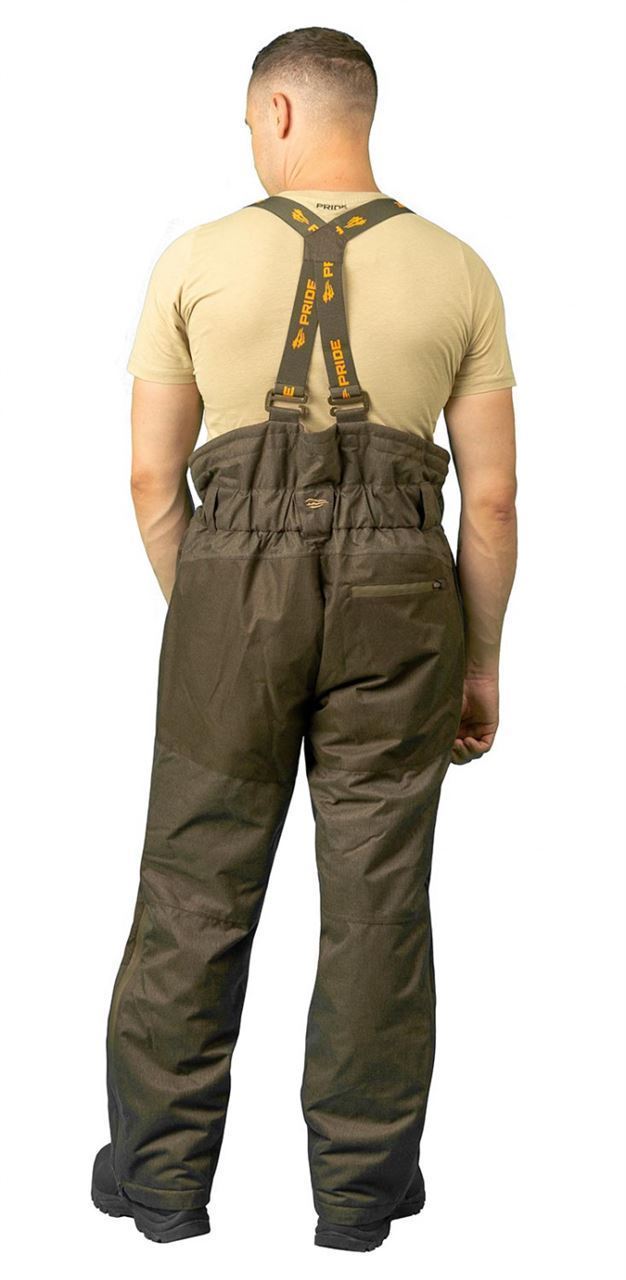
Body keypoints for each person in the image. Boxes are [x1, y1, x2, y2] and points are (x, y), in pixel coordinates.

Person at [91, 25, 518, 1251]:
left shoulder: (192, 259)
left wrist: (214, 611)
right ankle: (359, 1192)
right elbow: (490, 499)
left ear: (276, 113)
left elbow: (149, 478)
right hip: (403, 596)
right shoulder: (459, 269)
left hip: (229, 588)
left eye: (246, 122)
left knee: (192, 886)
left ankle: (161, 1183)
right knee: (377, 896)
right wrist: (478, 658)